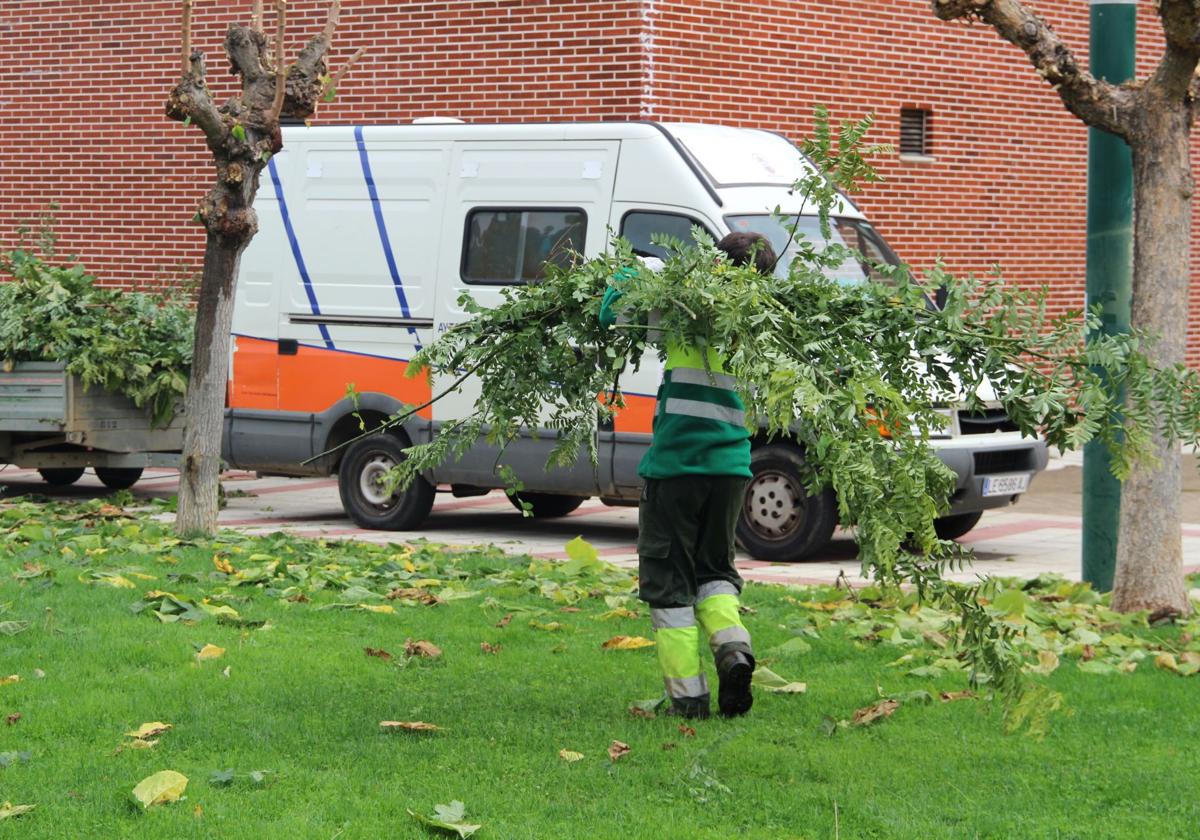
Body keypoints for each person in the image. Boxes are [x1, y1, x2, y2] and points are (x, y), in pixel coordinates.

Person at [599, 232, 776, 719]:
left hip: (677, 468)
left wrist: (630, 272)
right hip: (732, 469)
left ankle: (688, 699)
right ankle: (734, 651)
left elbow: (613, 313)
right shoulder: (763, 329)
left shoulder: (685, 313)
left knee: (669, 584)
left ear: (715, 268)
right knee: (715, 572)